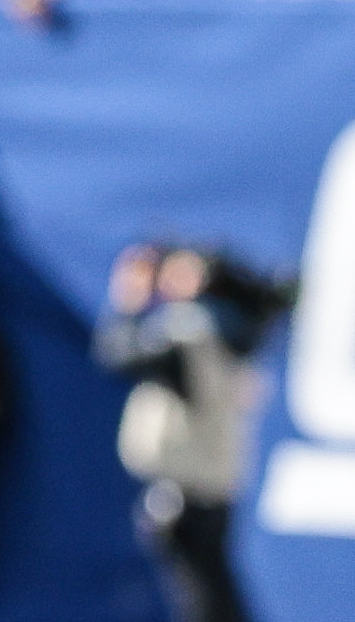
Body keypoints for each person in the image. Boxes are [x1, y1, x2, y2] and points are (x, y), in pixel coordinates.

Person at [95, 245, 291, 622]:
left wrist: (131, 302)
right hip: (213, 481)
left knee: (200, 589)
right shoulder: (232, 327)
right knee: (210, 581)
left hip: (190, 485)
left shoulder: (189, 332)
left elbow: (118, 353)